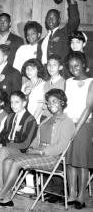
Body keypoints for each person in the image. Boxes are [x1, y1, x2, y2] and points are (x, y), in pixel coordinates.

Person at [0, 89, 75, 208]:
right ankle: (7, 198)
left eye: (54, 101)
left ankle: (0, 195)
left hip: (52, 158)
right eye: (49, 102)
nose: (51, 104)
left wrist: (41, 151)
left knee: (15, 162)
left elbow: (61, 147)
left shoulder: (67, 122)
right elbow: (36, 139)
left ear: (62, 102)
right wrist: (32, 148)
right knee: (7, 160)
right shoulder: (47, 119)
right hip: (38, 154)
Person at [0, 91, 37, 201]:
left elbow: (25, 144)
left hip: (21, 151)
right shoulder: (10, 116)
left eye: (17, 102)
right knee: (2, 150)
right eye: (11, 102)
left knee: (2, 151)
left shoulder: (30, 120)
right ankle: (5, 193)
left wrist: (3, 145)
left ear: (24, 103)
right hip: (6, 148)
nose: (13, 105)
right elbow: (2, 135)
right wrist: (2, 144)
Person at [64, 52, 93, 209]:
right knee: (69, 161)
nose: (73, 68)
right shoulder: (68, 81)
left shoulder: (91, 81)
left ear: (83, 65)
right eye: (70, 66)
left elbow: (88, 107)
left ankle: (82, 196)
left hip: (84, 125)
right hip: (69, 123)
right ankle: (72, 194)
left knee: (82, 162)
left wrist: (76, 129)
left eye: (76, 65)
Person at [37, 0, 79, 65]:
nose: (50, 20)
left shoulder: (65, 33)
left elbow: (74, 20)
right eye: (48, 18)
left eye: (53, 18)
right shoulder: (41, 42)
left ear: (59, 20)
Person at [21, 58, 47, 123]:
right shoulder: (24, 86)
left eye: (32, 69)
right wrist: (25, 95)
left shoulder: (43, 85)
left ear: (38, 70)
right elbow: (21, 103)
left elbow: (40, 107)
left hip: (36, 119)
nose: (29, 71)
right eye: (27, 69)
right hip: (24, 118)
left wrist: (32, 121)